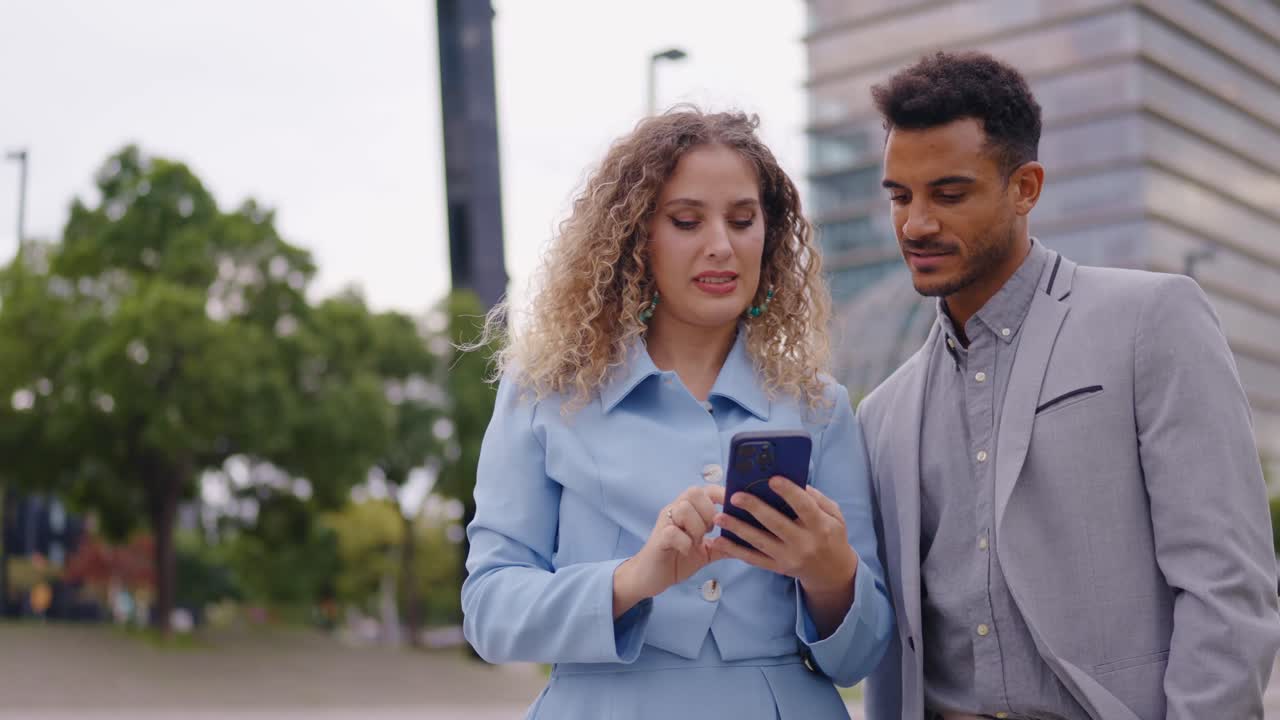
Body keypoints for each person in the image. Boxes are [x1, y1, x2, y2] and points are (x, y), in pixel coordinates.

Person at [857, 51, 1280, 720]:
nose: (916, 224)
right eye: (900, 196)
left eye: (949, 193)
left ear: (1025, 187)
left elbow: (1227, 586)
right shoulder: (882, 414)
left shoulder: (1152, 321)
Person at [461, 109, 892, 719]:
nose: (721, 244)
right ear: (636, 236)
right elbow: (489, 612)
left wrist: (830, 573)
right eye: (687, 221)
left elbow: (861, 656)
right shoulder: (544, 395)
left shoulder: (820, 406)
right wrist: (633, 578)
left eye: (743, 220)